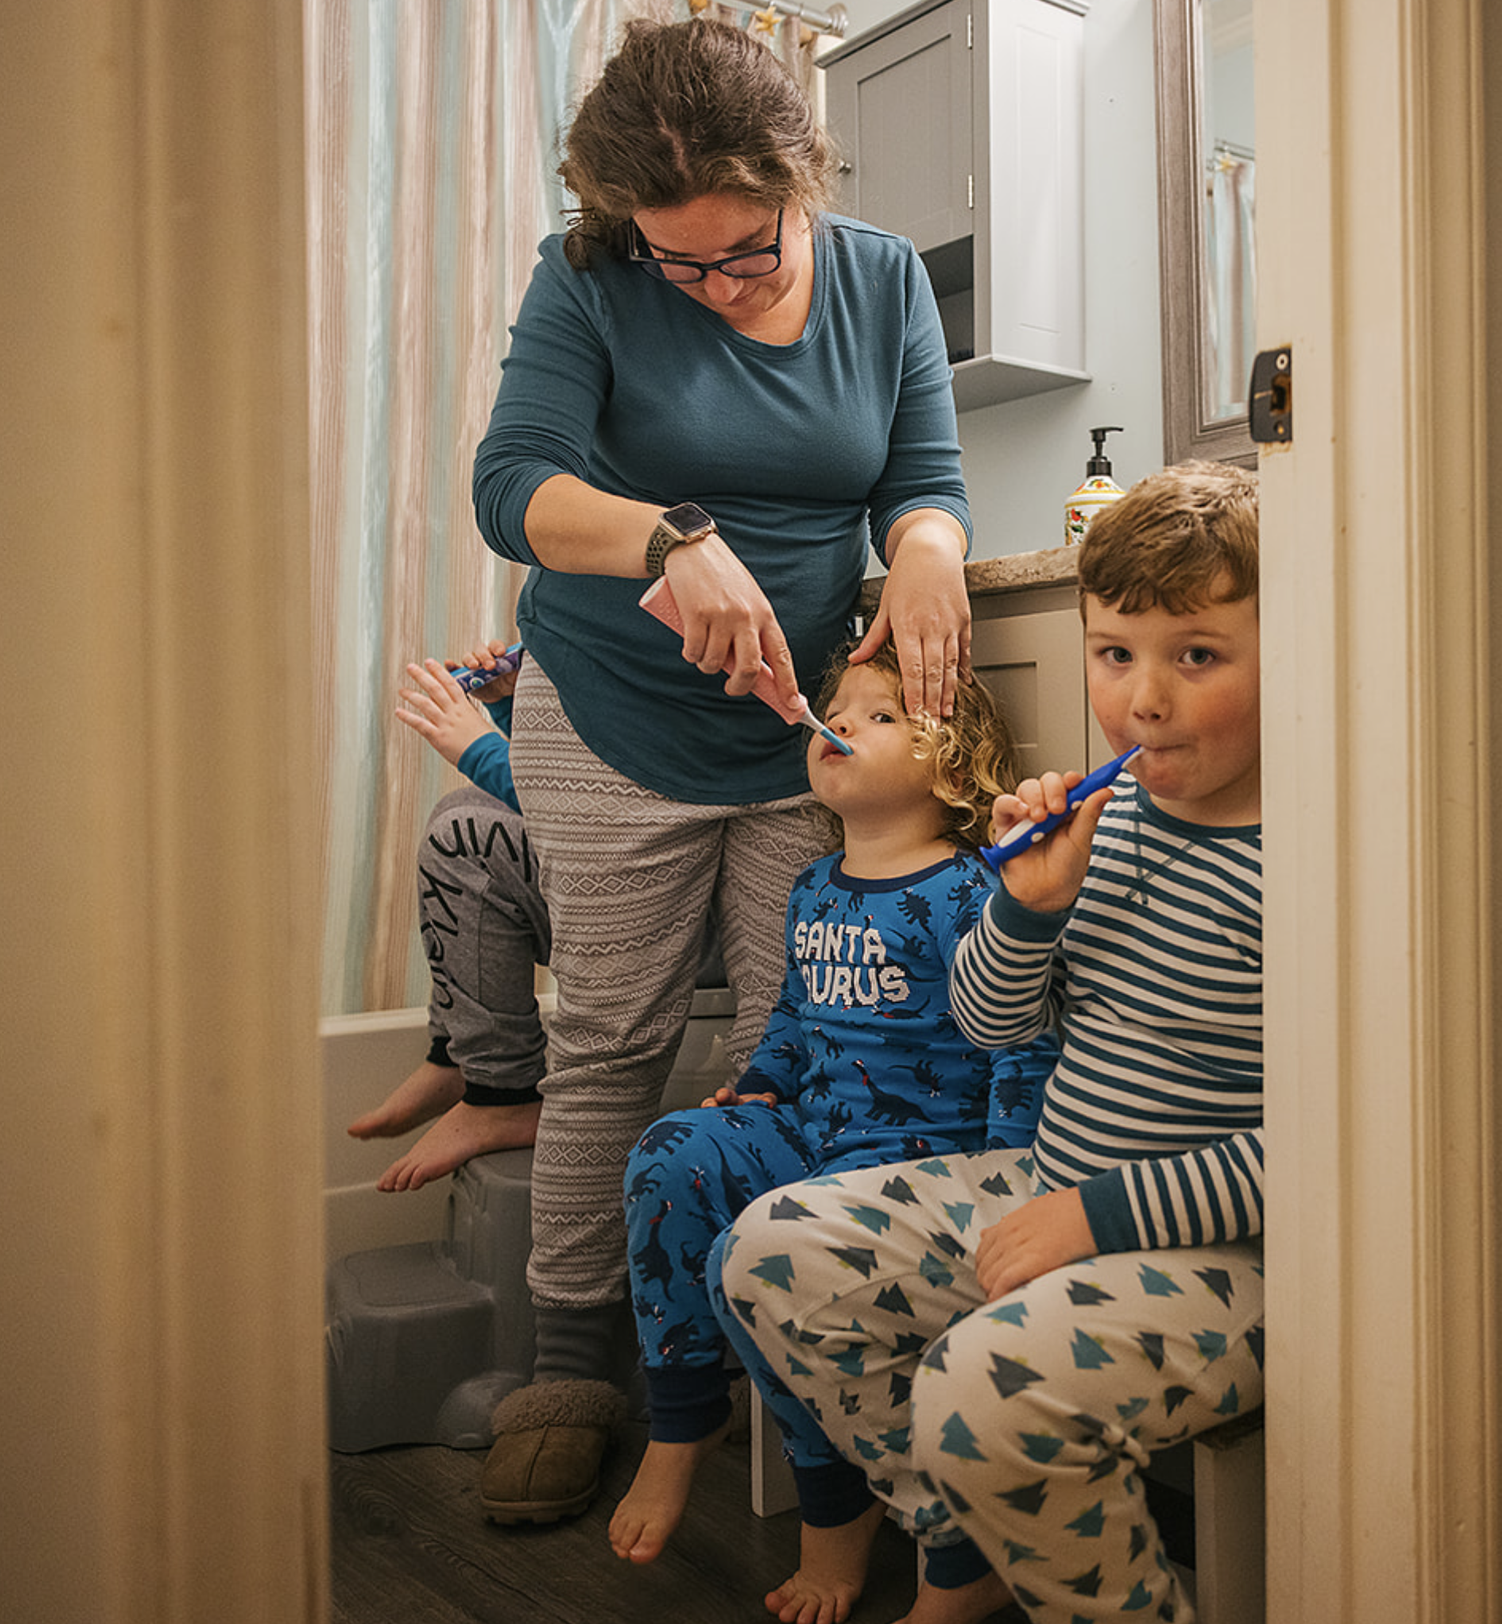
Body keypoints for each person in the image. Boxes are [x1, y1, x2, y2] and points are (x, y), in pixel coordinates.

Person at [467, 16, 977, 1524]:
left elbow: (923, 481)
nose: (714, 285)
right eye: (677, 263)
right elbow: (515, 484)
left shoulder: (880, 277)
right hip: (610, 709)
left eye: (743, 253)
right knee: (614, 1033)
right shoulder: (590, 279)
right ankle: (573, 1363)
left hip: (794, 735)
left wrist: (932, 552)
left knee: (787, 1040)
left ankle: (773, 1358)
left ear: (800, 177)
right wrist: (670, 540)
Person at [716, 462, 1265, 1624]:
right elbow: (990, 1021)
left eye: (1197, 655)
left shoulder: (1305, 856)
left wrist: (1099, 1217)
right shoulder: (1110, 826)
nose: (1144, 699)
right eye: (1115, 653)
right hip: (1049, 1182)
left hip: (1241, 1256)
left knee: (982, 1389)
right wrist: (1026, 906)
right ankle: (957, 1528)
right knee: (769, 1249)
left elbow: (1324, 1143)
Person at [608, 644, 1056, 1621]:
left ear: (947, 764)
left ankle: (835, 1520)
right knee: (668, 1155)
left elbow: (1019, 1038)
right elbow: (798, 1019)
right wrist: (762, 1083)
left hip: (923, 1170)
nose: (836, 723)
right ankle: (681, 1418)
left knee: (746, 1261)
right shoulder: (813, 887)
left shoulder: (972, 890)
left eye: (876, 714)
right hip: (812, 1135)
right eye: (832, 709)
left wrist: (1016, 1179)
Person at [346, 641, 549, 1191]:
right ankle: (458, 1057)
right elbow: (583, 779)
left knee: (465, 840)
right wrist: (509, 706)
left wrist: (481, 749)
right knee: (462, 811)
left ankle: (505, 1095)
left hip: (685, 908)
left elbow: (613, 811)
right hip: (646, 871)